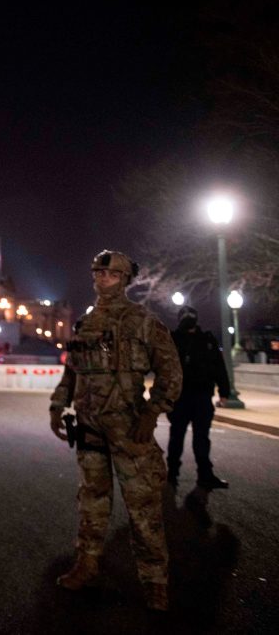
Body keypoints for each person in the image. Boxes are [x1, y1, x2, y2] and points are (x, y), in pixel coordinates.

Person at [49, 250, 182, 612]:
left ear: (124, 279)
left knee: (143, 508)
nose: (101, 280)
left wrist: (153, 413)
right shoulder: (85, 323)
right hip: (89, 427)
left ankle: (155, 581)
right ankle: (87, 564)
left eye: (108, 275)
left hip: (129, 428)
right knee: (92, 502)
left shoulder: (142, 321)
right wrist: (57, 406)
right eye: (97, 274)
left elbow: (171, 372)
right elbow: (71, 371)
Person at [167, 305, 230, 490]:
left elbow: (219, 367)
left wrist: (224, 392)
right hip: (180, 397)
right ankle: (171, 474)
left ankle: (205, 474)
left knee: (202, 438)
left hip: (202, 396)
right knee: (176, 437)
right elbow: (163, 368)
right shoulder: (173, 339)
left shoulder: (207, 340)